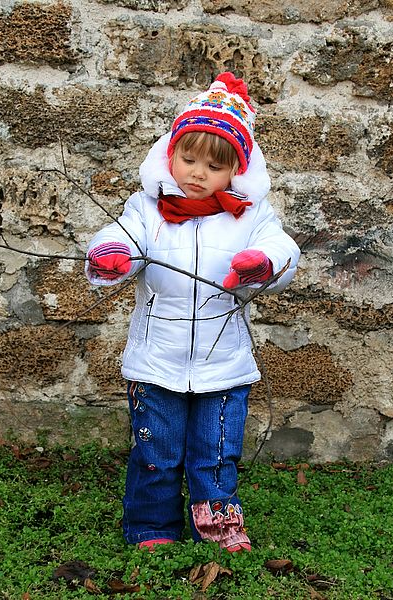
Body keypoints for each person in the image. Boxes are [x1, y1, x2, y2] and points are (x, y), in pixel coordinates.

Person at [85, 72, 300, 553]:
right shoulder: (147, 208)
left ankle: (219, 529)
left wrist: (261, 264)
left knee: (215, 455)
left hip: (223, 363)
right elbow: (120, 235)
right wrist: (113, 255)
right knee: (155, 452)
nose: (197, 173)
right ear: (170, 153)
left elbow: (281, 247)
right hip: (155, 359)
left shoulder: (250, 216)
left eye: (214, 166)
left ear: (237, 171)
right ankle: (152, 528)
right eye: (188, 158)